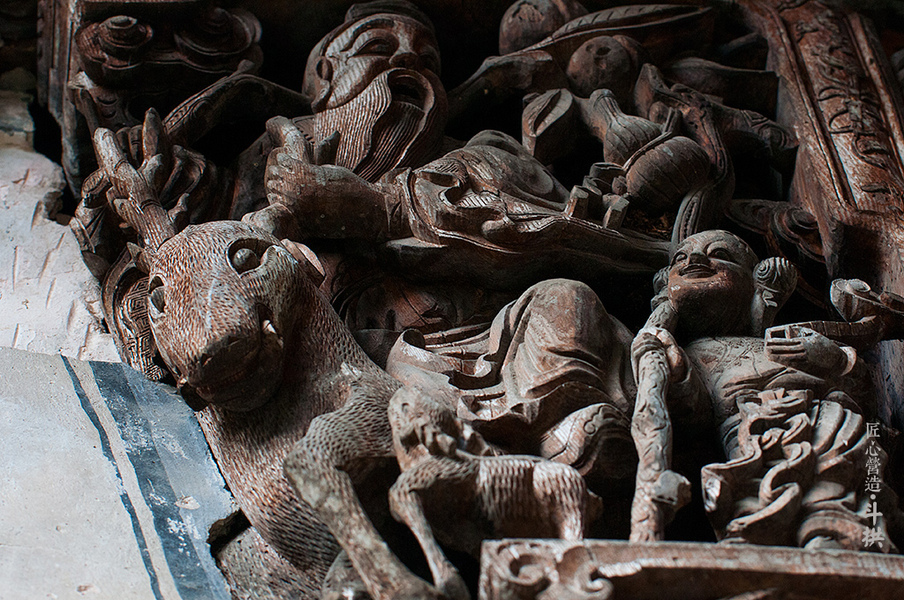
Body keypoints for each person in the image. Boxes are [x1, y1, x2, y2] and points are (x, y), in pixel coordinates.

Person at [634, 229, 899, 550]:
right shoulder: (689, 352)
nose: (695, 260)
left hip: (834, 422)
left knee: (852, 488)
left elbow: (865, 394)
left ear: (757, 283)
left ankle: (839, 541)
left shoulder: (784, 338)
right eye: (680, 258)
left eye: (720, 254)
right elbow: (688, 412)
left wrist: (833, 360)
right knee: (767, 500)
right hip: (756, 432)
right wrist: (666, 360)